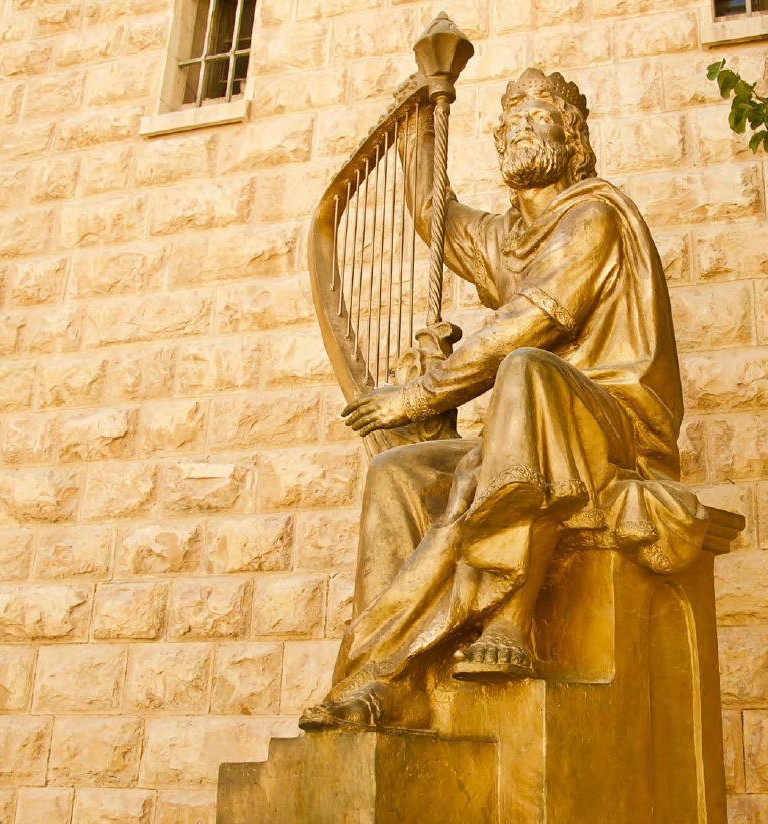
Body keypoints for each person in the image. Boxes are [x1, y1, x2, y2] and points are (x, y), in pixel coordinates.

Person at [299, 68, 708, 731]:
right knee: (399, 473)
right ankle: (384, 675)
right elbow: (434, 214)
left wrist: (418, 396)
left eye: (537, 115)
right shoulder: (508, 236)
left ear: (572, 137)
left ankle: (508, 616)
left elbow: (529, 323)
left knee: (526, 368)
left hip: (617, 426)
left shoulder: (593, 216)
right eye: (508, 120)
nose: (519, 127)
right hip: (534, 424)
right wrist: (418, 125)